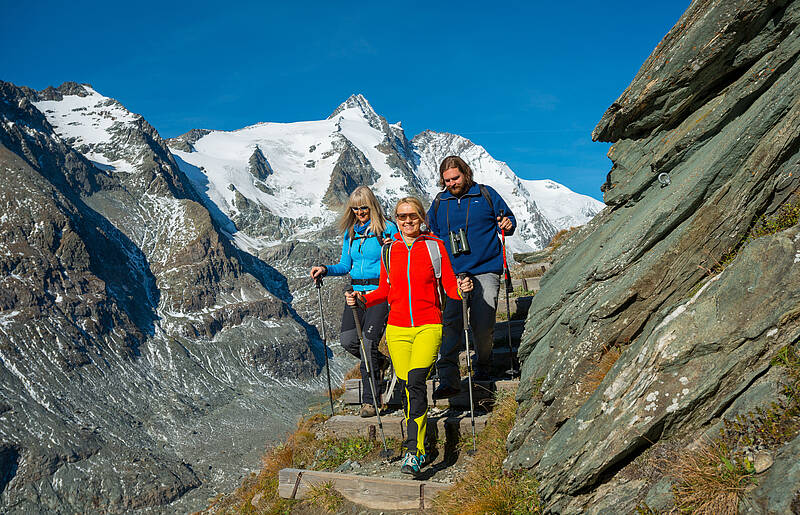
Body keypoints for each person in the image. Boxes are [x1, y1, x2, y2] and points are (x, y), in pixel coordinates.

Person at [345, 197, 472, 476]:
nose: (407, 221)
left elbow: (450, 286)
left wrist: (464, 287)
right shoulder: (389, 251)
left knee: (416, 380)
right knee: (405, 386)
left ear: (421, 217)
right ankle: (420, 442)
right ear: (396, 219)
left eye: (412, 215)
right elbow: (385, 290)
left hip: (428, 325)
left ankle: (414, 452)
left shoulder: (435, 247)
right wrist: (361, 297)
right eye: (401, 217)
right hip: (398, 329)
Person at [426, 155, 516, 399]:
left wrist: (507, 224)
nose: (452, 183)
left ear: (466, 173)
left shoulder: (485, 194)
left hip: (486, 268)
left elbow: (509, 220)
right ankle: (448, 378)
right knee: (451, 324)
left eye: (455, 178)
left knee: (483, 322)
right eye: (447, 180)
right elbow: (430, 232)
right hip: (452, 272)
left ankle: (483, 365)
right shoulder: (439, 202)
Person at [310, 186, 398, 417]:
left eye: (364, 208)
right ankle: (380, 363)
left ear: (373, 206)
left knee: (368, 344)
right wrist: (325, 270)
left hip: (379, 294)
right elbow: (345, 265)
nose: (360, 212)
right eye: (355, 208)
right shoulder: (350, 233)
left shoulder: (387, 229)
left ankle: (371, 402)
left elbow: (396, 260)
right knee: (348, 341)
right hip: (356, 296)